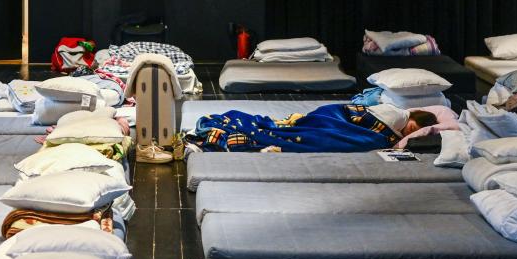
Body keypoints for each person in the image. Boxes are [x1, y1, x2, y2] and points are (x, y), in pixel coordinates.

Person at [186, 102, 438, 153]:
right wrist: (389, 140)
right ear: (414, 116)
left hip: (339, 118)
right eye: (412, 127)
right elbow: (367, 127)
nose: (408, 132)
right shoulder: (397, 114)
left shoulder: (402, 123)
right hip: (334, 117)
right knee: (322, 137)